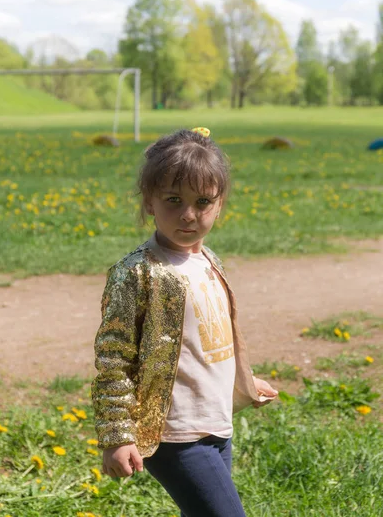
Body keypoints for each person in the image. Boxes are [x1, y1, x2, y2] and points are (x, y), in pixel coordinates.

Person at [91, 128, 279, 517]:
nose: (189, 214)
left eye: (202, 201)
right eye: (173, 200)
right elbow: (113, 359)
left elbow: (216, 338)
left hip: (215, 424)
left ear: (219, 204)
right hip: (172, 435)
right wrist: (117, 435)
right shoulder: (138, 273)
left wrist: (242, 381)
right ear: (149, 202)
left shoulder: (209, 260)